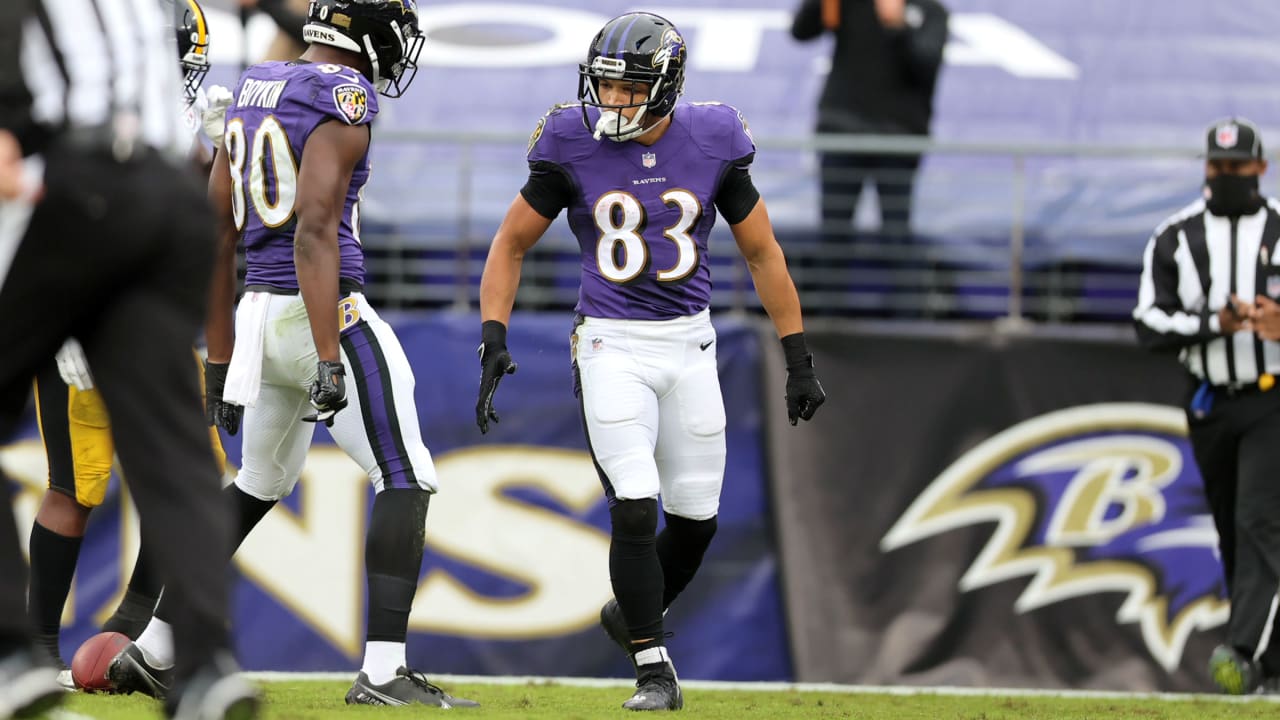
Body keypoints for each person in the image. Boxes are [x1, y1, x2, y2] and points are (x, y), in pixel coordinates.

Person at [106, 0, 479, 709]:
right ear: (366, 35)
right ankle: (382, 670)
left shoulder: (255, 85)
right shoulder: (343, 95)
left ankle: (153, 647)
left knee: (257, 481)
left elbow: (216, 231)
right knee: (406, 478)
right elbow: (314, 229)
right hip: (319, 310)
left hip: (256, 316)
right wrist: (329, 350)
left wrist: (220, 355)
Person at [476, 12, 827, 711]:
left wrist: (797, 355)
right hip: (609, 342)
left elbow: (762, 253)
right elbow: (510, 243)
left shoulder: (714, 138)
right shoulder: (568, 140)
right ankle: (653, 668)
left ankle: (627, 617)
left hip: (690, 343)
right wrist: (494, 333)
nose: (612, 102)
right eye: (604, 87)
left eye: (628, 89)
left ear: (665, 88)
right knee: (634, 506)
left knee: (697, 521)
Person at [0, 0, 256, 716]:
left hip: (67, 188)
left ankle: (14, 650)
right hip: (167, 203)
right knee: (176, 456)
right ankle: (205, 663)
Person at [1133, 117, 1280, 695]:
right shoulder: (1175, 236)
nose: (1226, 177)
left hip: (1273, 396)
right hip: (1211, 401)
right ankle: (1270, 661)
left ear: (1260, 169)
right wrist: (1213, 323)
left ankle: (1245, 653)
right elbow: (1148, 321)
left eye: (1236, 168)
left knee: (1259, 519)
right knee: (1233, 531)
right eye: (1217, 168)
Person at [790, 0, 948, 241]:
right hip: (842, 130)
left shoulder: (930, 11)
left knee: (896, 234)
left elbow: (926, 65)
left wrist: (898, 27)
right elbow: (801, 31)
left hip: (899, 136)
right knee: (833, 233)